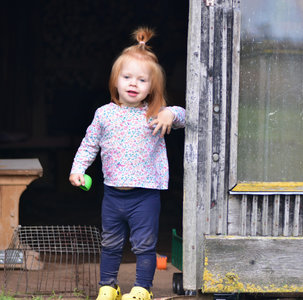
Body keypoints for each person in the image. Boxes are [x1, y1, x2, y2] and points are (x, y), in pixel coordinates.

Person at [69, 27, 185, 300]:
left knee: (144, 245)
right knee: (110, 243)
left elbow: (185, 116)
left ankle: (142, 288)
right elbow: (89, 144)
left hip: (145, 195)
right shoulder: (104, 114)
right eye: (127, 77)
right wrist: (78, 168)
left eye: (142, 80)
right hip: (112, 193)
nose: (134, 84)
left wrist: (170, 112)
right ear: (115, 80)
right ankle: (108, 286)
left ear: (151, 87)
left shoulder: (155, 114)